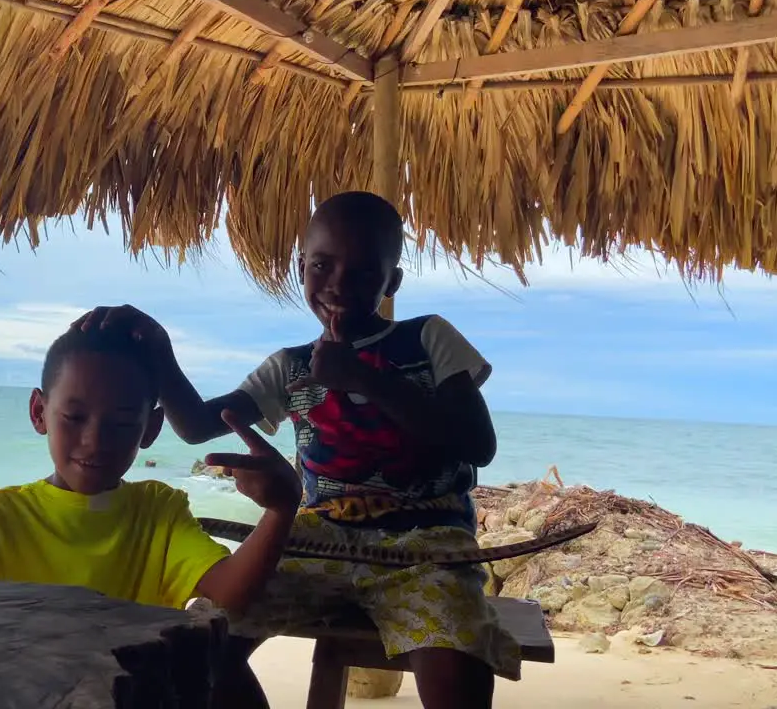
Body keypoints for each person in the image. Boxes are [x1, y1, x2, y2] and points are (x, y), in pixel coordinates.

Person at [71, 191, 520, 709]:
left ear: (392, 282)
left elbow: (477, 444)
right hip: (316, 539)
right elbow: (196, 426)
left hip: (429, 546)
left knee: (453, 666)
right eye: (322, 266)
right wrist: (159, 352)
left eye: (363, 273)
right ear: (300, 266)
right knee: (207, 641)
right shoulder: (291, 366)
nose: (337, 285)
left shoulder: (428, 339)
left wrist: (363, 378)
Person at [0, 325, 301, 707]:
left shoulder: (158, 511)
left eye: (122, 423)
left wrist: (282, 510)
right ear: (39, 412)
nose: (94, 441)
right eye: (74, 417)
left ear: (151, 428)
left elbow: (231, 593)